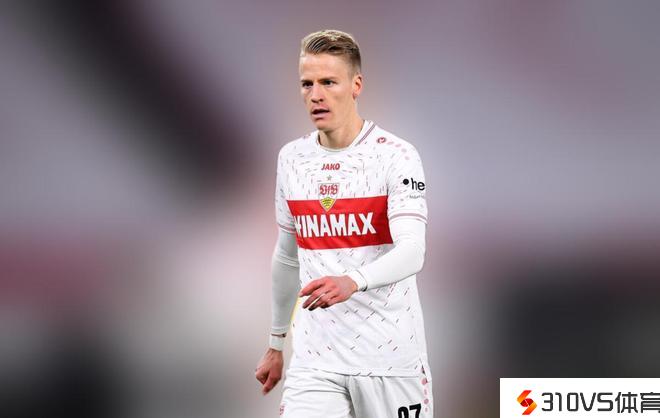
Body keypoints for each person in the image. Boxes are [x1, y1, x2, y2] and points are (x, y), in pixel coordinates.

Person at [255, 29, 433, 418]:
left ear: (356, 85)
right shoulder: (292, 159)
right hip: (315, 363)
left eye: (328, 82)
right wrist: (276, 342)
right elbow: (287, 257)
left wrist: (353, 281)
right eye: (307, 84)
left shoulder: (395, 156)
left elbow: (412, 251)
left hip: (389, 361)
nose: (315, 95)